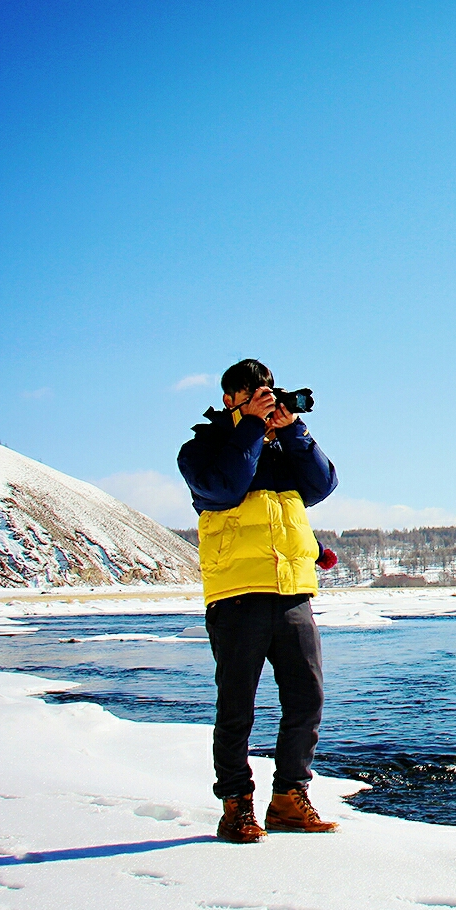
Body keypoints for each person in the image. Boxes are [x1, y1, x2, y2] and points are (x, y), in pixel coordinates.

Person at [177, 358, 341, 843]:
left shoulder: (279, 446)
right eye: (252, 393)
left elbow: (322, 485)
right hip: (236, 596)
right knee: (237, 708)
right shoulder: (201, 449)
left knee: (306, 699)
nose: (264, 399)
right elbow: (224, 486)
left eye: (267, 391)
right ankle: (236, 807)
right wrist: (250, 427)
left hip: (292, 592)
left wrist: (293, 432)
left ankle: (290, 799)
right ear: (230, 398)